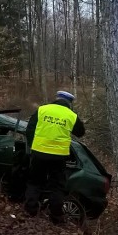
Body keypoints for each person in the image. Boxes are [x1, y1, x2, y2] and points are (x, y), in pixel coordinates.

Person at [24, 90, 85, 224]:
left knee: (35, 181)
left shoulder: (42, 110)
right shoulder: (71, 116)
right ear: (69, 103)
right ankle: (56, 216)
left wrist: (32, 146)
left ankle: (30, 211)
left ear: (56, 99)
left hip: (39, 153)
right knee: (57, 186)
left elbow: (29, 129)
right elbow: (81, 132)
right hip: (59, 157)